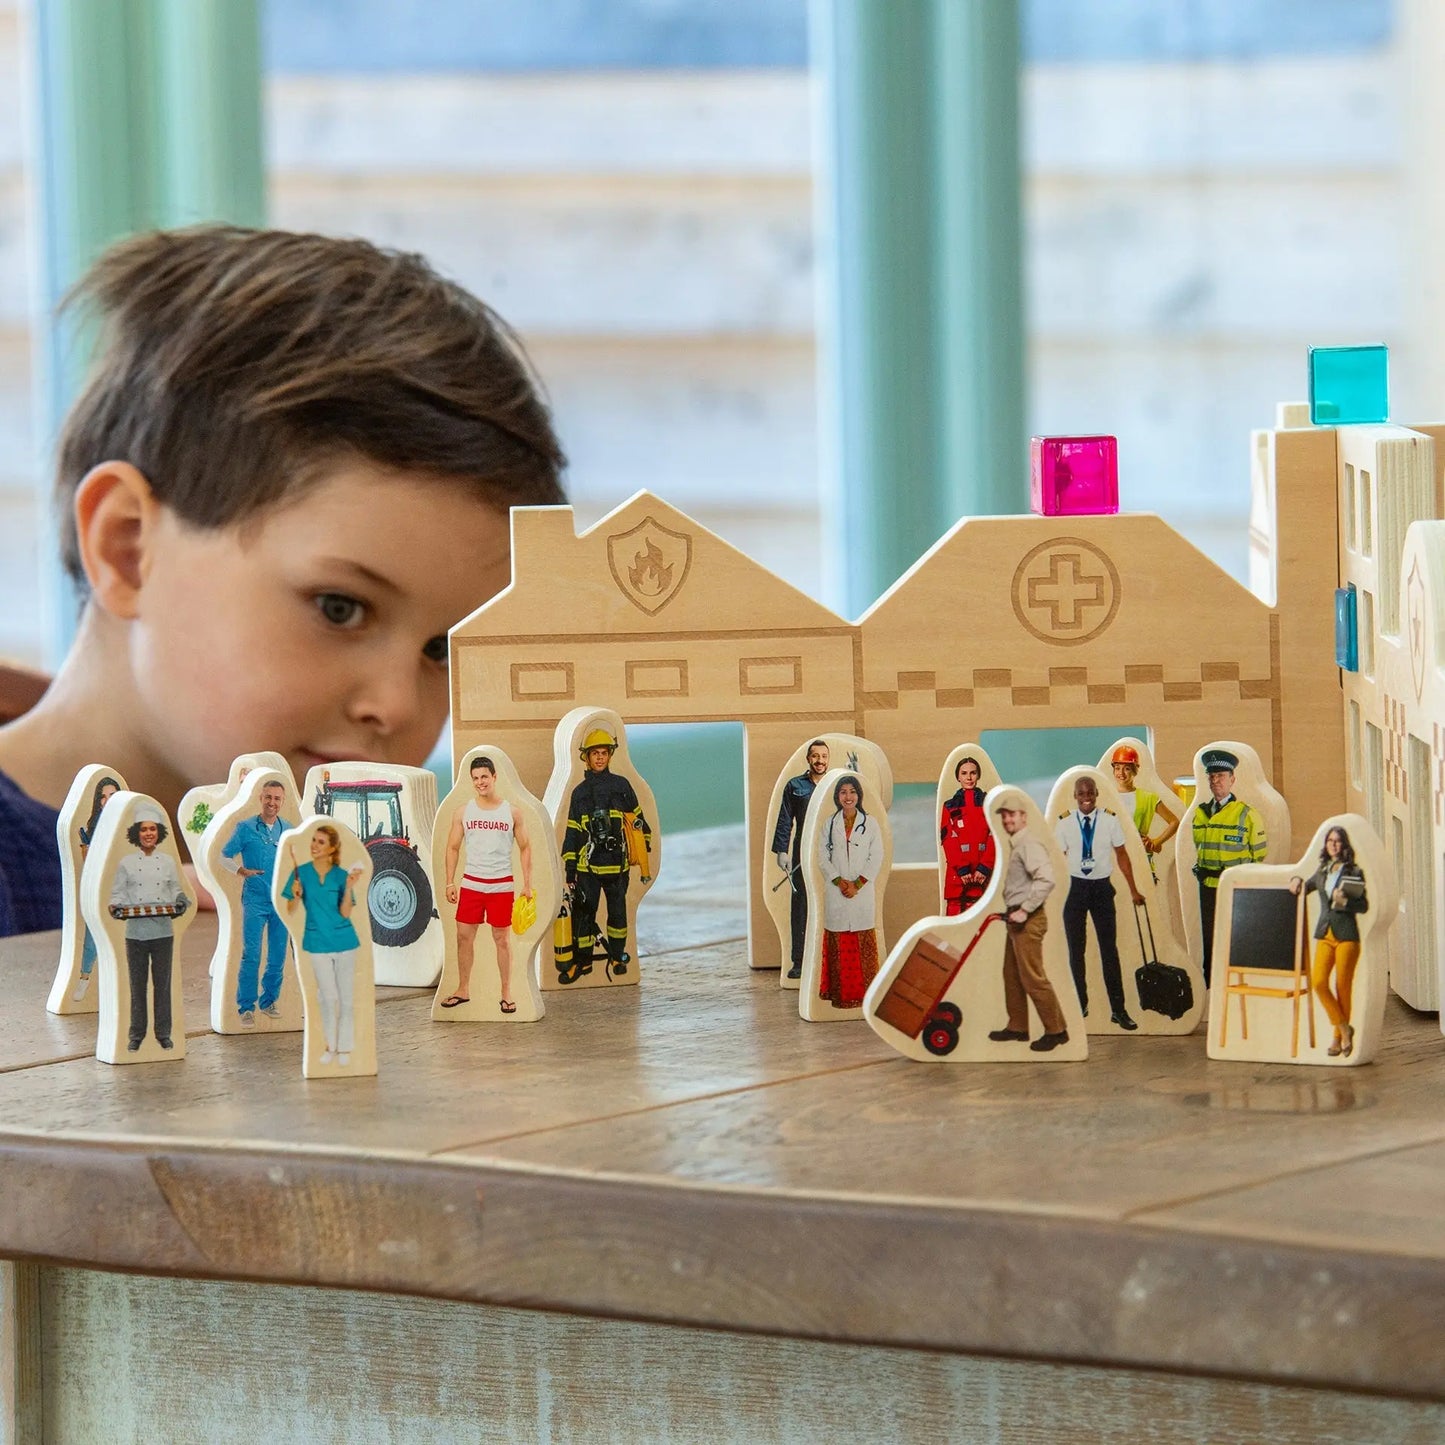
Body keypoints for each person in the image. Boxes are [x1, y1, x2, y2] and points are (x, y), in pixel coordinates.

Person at [0, 225, 567, 939]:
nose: (395, 705)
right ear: (127, 548)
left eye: (441, 650)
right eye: (341, 607)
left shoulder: (382, 873)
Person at [440, 755, 534, 1013]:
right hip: (472, 884)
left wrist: (527, 884)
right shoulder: (463, 812)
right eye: (475, 778)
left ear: (494, 777)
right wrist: (450, 882)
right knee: (463, 937)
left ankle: (506, 993)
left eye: (484, 776)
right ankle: (463, 989)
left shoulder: (512, 812)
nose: (480, 782)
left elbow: (526, 847)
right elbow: (452, 847)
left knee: (501, 939)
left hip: (501, 885)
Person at [1055, 775, 1145, 1030]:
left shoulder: (1109, 820)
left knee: (1110, 951)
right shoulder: (1063, 823)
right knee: (1076, 951)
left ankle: (1118, 1010)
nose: (1086, 798)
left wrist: (1133, 890)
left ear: (1096, 794)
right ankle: (1078, 1005)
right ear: (1075, 796)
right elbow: (1058, 860)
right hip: (1075, 890)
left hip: (1102, 890)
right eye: (1081, 794)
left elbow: (1122, 855)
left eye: (1090, 793)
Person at [563, 729, 651, 981]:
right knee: (583, 916)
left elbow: (638, 820)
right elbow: (572, 831)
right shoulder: (579, 792)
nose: (600, 758)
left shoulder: (621, 786)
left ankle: (617, 956)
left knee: (618, 915)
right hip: (587, 868)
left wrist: (644, 846)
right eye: (595, 754)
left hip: (617, 866)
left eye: (604, 753)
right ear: (586, 758)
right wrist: (570, 868)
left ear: (609, 755)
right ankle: (583, 962)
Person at [989, 793, 1069, 1052]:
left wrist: (1024, 910)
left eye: (1012, 815)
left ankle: (1056, 1031)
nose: (1007, 820)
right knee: (1011, 975)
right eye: (1004, 815)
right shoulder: (1017, 844)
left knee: (1033, 977)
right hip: (1015, 917)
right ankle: (1018, 1027)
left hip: (1028, 919)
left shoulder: (1029, 844)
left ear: (1023, 817)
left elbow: (1046, 879)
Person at [108, 804, 189, 1052]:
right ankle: (136, 1034)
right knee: (137, 986)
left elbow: (175, 888)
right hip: (135, 934)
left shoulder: (167, 862)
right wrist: (116, 907)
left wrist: (180, 900)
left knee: (162, 986)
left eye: (153, 829)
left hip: (163, 931)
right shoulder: (126, 863)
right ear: (136, 833)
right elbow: (118, 893)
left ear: (159, 832)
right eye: (144, 830)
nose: (148, 834)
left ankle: (164, 1033)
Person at [283, 824, 365, 1066]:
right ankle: (330, 1045)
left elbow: (345, 913)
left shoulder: (341, 876)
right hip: (317, 941)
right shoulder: (301, 873)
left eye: (320, 842)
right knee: (327, 997)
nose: (314, 845)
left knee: (346, 998)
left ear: (332, 849)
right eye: (313, 840)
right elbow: (290, 910)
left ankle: (345, 1049)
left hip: (344, 941)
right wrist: (296, 897)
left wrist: (349, 887)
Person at [221, 779, 296, 1027]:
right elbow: (224, 856)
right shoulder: (245, 828)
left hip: (280, 902)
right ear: (260, 799)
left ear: (282, 801)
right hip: (255, 900)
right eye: (268, 797)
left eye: (277, 798)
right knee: (251, 954)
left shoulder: (288, 830)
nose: (272, 802)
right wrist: (240, 870)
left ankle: (269, 1001)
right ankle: (246, 1007)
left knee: (277, 956)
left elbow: (297, 863)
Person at [1290, 825, 1369, 1057]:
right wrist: (1296, 881)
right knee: (1319, 983)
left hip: (1346, 936)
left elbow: (1363, 905)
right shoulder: (1323, 869)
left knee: (1342, 987)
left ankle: (1337, 1038)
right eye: (1330, 841)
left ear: (1344, 845)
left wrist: (1343, 900)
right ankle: (1345, 1028)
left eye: (1338, 841)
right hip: (1325, 933)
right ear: (1326, 845)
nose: (1333, 844)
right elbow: (1307, 887)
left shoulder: (1353, 872)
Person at [1192, 749, 1268, 987]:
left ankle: (1238, 987)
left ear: (1232, 779)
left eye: (1221, 776)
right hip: (1207, 887)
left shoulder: (1247, 815)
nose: (1216, 782)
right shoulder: (1201, 814)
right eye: (1211, 777)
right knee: (1210, 942)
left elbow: (1259, 855)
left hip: (1236, 888)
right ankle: (1211, 990)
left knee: (1236, 941)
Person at [813, 774, 882, 1009]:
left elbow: (877, 856)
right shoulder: (829, 824)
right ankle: (840, 996)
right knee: (840, 941)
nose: (848, 796)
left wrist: (858, 884)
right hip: (837, 892)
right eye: (843, 792)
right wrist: (839, 881)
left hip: (862, 893)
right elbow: (822, 857)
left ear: (859, 795)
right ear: (837, 797)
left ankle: (868, 996)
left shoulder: (870, 823)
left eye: (852, 791)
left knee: (861, 941)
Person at [771, 739, 830, 978]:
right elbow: (786, 820)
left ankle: (827, 959)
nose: (820, 761)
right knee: (801, 904)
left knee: (830, 904)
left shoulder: (834, 784)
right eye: (815, 756)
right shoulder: (795, 786)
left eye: (824, 756)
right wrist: (782, 852)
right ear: (808, 759)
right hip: (802, 852)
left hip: (830, 852)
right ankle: (799, 961)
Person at [72, 774, 120, 1001]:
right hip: (99, 885)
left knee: (121, 936)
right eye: (103, 797)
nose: (107, 800)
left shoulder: (127, 823)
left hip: (123, 886)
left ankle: (117, 982)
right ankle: (84, 979)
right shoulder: (93, 825)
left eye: (112, 795)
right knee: (92, 935)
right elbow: (87, 859)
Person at [1109, 744, 1179, 881]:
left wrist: (1156, 842)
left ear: (1134, 771)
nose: (1121, 773)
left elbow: (1174, 821)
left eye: (1127, 769)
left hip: (1140, 857)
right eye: (1117, 768)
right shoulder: (1107, 797)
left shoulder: (1148, 798)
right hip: (1114, 859)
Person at [939, 754, 995, 915]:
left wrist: (985, 868)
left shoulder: (989, 803)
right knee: (955, 929)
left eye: (973, 773)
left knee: (986, 926)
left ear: (978, 775)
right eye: (964, 773)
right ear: (958, 776)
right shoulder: (950, 806)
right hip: (959, 876)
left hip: (983, 875)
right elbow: (948, 839)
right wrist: (962, 870)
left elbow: (995, 836)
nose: (969, 777)